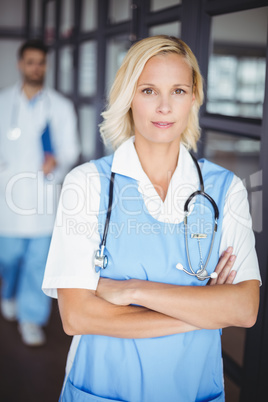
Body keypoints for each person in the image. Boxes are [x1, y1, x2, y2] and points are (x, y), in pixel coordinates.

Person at [42, 35, 261, 401]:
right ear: (128, 97)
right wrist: (207, 311)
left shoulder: (226, 189)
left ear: (193, 97)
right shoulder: (88, 184)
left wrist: (130, 290)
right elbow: (77, 316)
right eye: (148, 91)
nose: (164, 107)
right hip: (102, 386)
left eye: (177, 90)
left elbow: (245, 309)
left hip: (192, 388)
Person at [0, 39, 80, 346]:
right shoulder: (4, 102)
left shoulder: (59, 106)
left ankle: (31, 318)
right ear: (20, 65)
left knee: (38, 263)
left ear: (46, 66)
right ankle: (8, 290)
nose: (36, 67)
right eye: (30, 62)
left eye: (41, 62)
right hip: (8, 197)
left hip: (44, 197)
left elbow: (72, 148)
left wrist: (57, 161)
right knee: (8, 258)